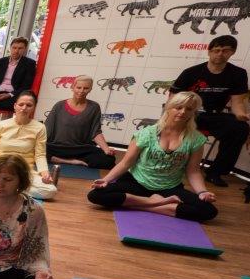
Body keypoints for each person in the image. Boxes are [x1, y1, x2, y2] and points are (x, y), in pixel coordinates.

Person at [87, 91, 217, 222]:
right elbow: (126, 163)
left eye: (189, 109)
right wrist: (106, 180)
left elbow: (193, 171)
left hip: (169, 187)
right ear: (169, 108)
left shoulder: (196, 139)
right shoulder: (146, 133)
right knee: (95, 195)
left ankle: (142, 205)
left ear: (193, 112)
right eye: (178, 107)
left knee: (209, 211)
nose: (183, 112)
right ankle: (156, 203)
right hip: (137, 182)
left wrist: (202, 192)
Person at [169, 35, 250, 187]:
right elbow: (173, 99)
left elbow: (237, 101)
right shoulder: (191, 72)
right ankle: (170, 165)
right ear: (209, 51)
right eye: (216, 50)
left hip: (214, 115)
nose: (220, 54)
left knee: (240, 128)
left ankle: (216, 172)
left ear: (232, 52)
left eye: (225, 51)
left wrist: (240, 114)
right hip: (189, 114)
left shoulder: (238, 74)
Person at [44, 76, 114, 169]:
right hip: (57, 147)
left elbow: (96, 132)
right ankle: (71, 161)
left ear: (90, 89)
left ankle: (58, 159)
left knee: (109, 159)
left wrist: (106, 149)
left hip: (80, 149)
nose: (81, 91)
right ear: (72, 87)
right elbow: (46, 129)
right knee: (34, 150)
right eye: (78, 87)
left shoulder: (94, 107)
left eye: (86, 88)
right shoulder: (59, 106)